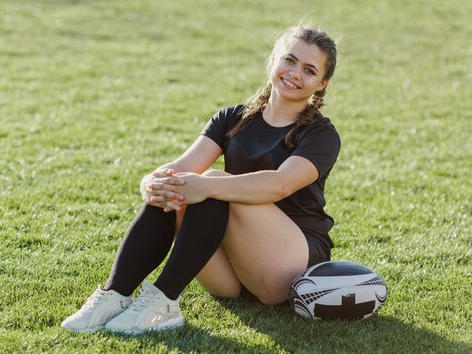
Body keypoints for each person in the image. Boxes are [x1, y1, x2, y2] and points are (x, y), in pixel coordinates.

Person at [62, 24, 341, 334]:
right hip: (233, 277)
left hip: (288, 267)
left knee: (210, 183)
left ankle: (163, 301)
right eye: (289, 60)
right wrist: (151, 182)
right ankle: (114, 294)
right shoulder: (233, 118)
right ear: (274, 59)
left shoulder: (321, 134)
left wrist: (207, 185)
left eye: (309, 70)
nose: (294, 73)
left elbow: (281, 184)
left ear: (321, 84)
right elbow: (181, 167)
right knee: (178, 184)